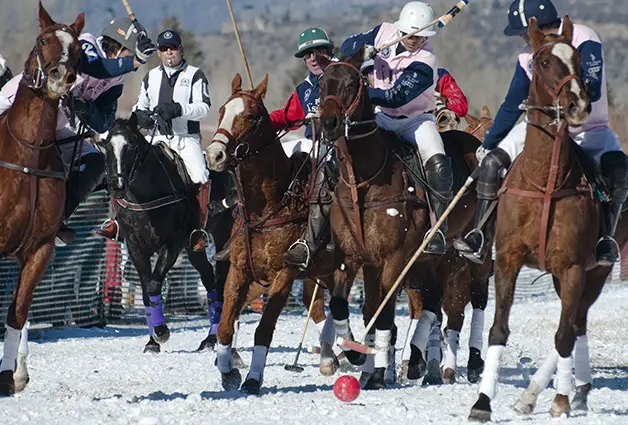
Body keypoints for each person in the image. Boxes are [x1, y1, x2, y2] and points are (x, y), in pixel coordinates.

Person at [454, 0, 628, 266]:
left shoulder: (583, 37)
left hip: (588, 128)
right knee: (491, 163)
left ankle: (606, 238)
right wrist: (488, 142)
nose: (523, 38)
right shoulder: (527, 55)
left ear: (537, 24)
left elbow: (590, 86)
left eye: (524, 31)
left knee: (618, 171)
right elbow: (513, 104)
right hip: (541, 129)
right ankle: (480, 236)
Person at [0, 17, 156, 246]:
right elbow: (95, 67)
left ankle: (56, 217)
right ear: (119, 46)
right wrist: (135, 61)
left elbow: (104, 122)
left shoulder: (117, 82)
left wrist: (86, 108)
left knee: (95, 162)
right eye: (129, 52)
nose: (131, 60)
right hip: (28, 100)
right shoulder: (84, 44)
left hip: (61, 123)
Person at [339, 1, 453, 255]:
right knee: (345, 145)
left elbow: (394, 96)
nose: (415, 40)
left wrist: (363, 92)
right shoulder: (384, 32)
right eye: (411, 34)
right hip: (381, 117)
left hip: (415, 120)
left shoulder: (426, 59)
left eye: (421, 36)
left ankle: (438, 228)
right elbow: (346, 47)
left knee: (438, 161)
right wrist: (363, 50)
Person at [97, 29, 212, 252]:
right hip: (156, 137)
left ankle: (197, 229)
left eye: (173, 48)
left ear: (181, 49)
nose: (169, 53)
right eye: (164, 49)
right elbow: (141, 105)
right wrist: (141, 115)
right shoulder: (151, 76)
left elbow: (203, 109)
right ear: (159, 53)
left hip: (184, 138)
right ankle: (117, 222)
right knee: (125, 165)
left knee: (200, 173)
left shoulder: (195, 75)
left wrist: (178, 109)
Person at [276, 26, 337, 269]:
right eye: (306, 55)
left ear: (327, 52)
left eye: (316, 52)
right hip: (313, 142)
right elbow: (289, 116)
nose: (311, 58)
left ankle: (314, 239)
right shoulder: (305, 88)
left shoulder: (340, 76)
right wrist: (259, 121)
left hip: (339, 143)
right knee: (282, 157)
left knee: (321, 166)